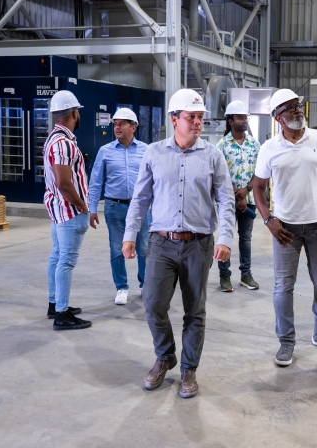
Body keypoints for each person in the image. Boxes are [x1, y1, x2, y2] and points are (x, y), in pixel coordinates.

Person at [122, 89, 235, 398]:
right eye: (191, 117)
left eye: (200, 117)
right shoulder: (154, 153)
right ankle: (165, 355)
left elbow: (226, 201)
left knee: (194, 310)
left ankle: (188, 369)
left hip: (199, 244)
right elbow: (140, 199)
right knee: (152, 305)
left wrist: (225, 238)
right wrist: (130, 235)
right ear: (174, 119)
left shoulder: (213, 155)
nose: (197, 122)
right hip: (161, 243)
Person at [252, 89, 317, 367]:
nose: (297, 110)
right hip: (285, 230)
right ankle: (286, 341)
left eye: (298, 105)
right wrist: (268, 219)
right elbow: (258, 186)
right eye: (289, 108)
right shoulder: (269, 148)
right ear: (277, 118)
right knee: (283, 287)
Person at [87, 108, 151, 305]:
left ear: (133, 127)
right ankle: (121, 287)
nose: (117, 127)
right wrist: (92, 209)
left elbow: (155, 180)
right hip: (115, 207)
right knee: (116, 248)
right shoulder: (105, 151)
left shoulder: (146, 150)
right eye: (115, 124)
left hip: (141, 208)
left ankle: (145, 285)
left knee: (144, 248)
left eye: (122, 124)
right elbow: (95, 181)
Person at [43, 90, 92, 331]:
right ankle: (62, 314)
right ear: (74, 113)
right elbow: (64, 183)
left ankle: (55, 304)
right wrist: (82, 205)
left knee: (57, 256)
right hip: (69, 211)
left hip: (58, 210)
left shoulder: (54, 139)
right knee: (66, 261)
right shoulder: (63, 143)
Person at [216, 100, 261, 292]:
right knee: (225, 236)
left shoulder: (255, 145)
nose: (244, 121)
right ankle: (224, 276)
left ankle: (246, 274)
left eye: (245, 118)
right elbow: (220, 174)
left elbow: (260, 172)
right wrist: (237, 195)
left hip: (249, 199)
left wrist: (246, 191)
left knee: (246, 238)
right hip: (227, 200)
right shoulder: (221, 146)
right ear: (230, 121)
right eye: (240, 118)